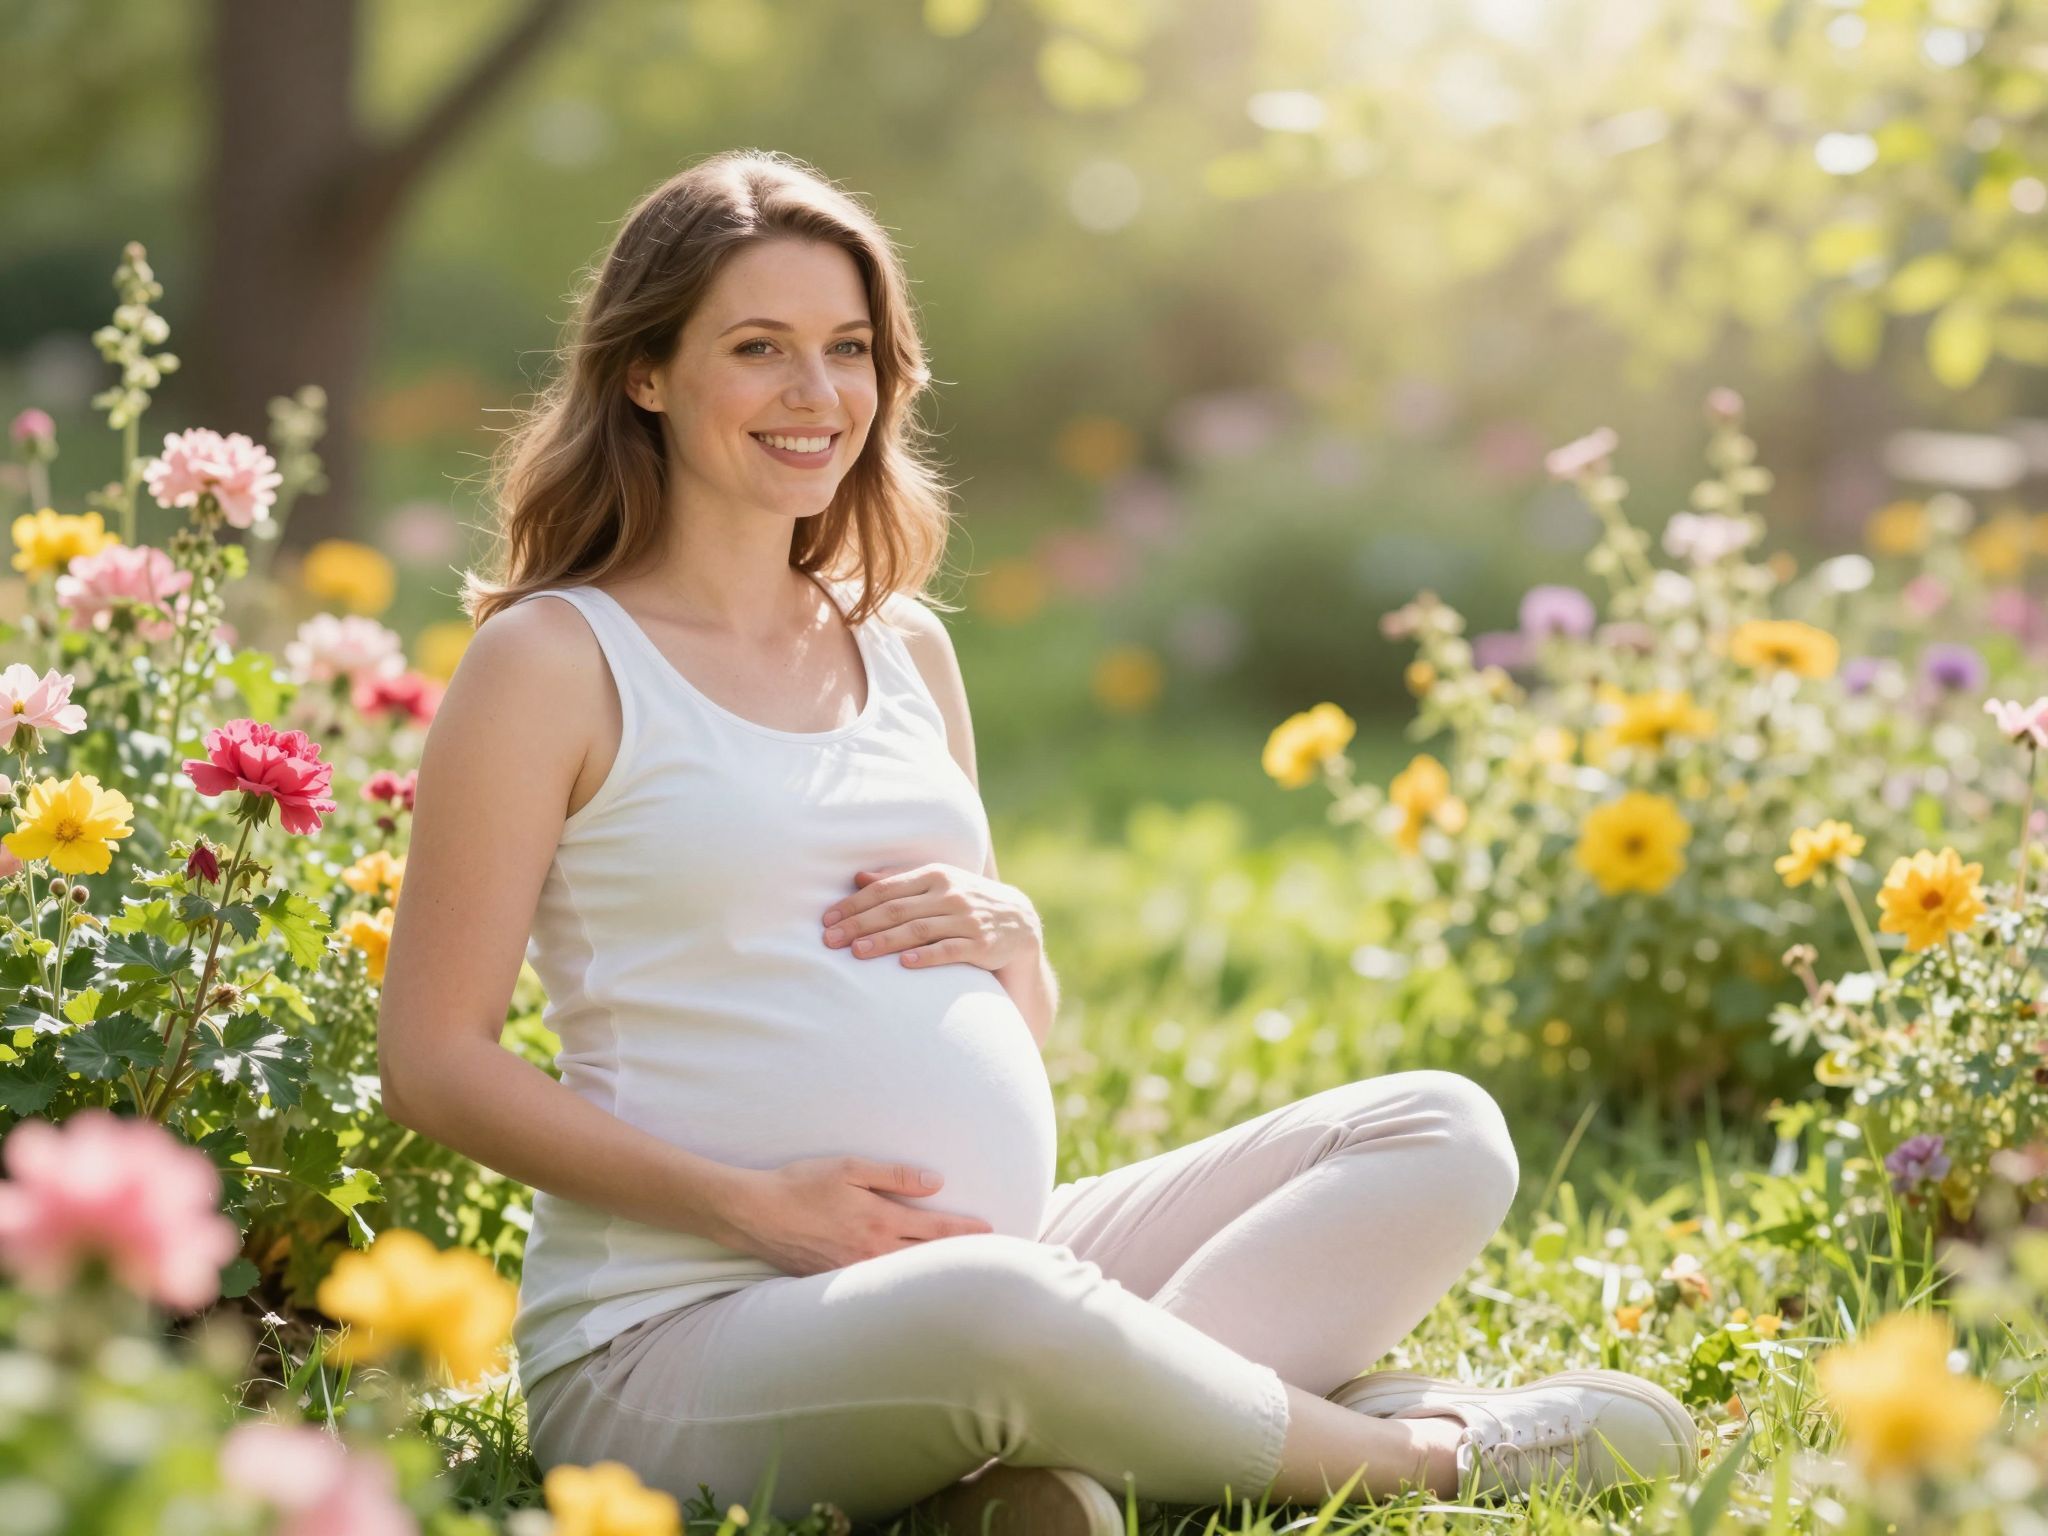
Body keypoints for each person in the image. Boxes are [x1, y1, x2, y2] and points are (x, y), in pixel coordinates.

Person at [377, 149, 1700, 1535]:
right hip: (683, 1330)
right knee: (1007, 1313)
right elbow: (434, 1062)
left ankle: (1041, 1482)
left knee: (1441, 1129)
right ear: (645, 373)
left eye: (849, 350)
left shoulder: (902, 648)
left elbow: (1012, 1014)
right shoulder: (554, 660)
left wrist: (1019, 937)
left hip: (984, 1268)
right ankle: (1425, 1458)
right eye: (758, 348)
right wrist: (753, 1209)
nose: (815, 394)